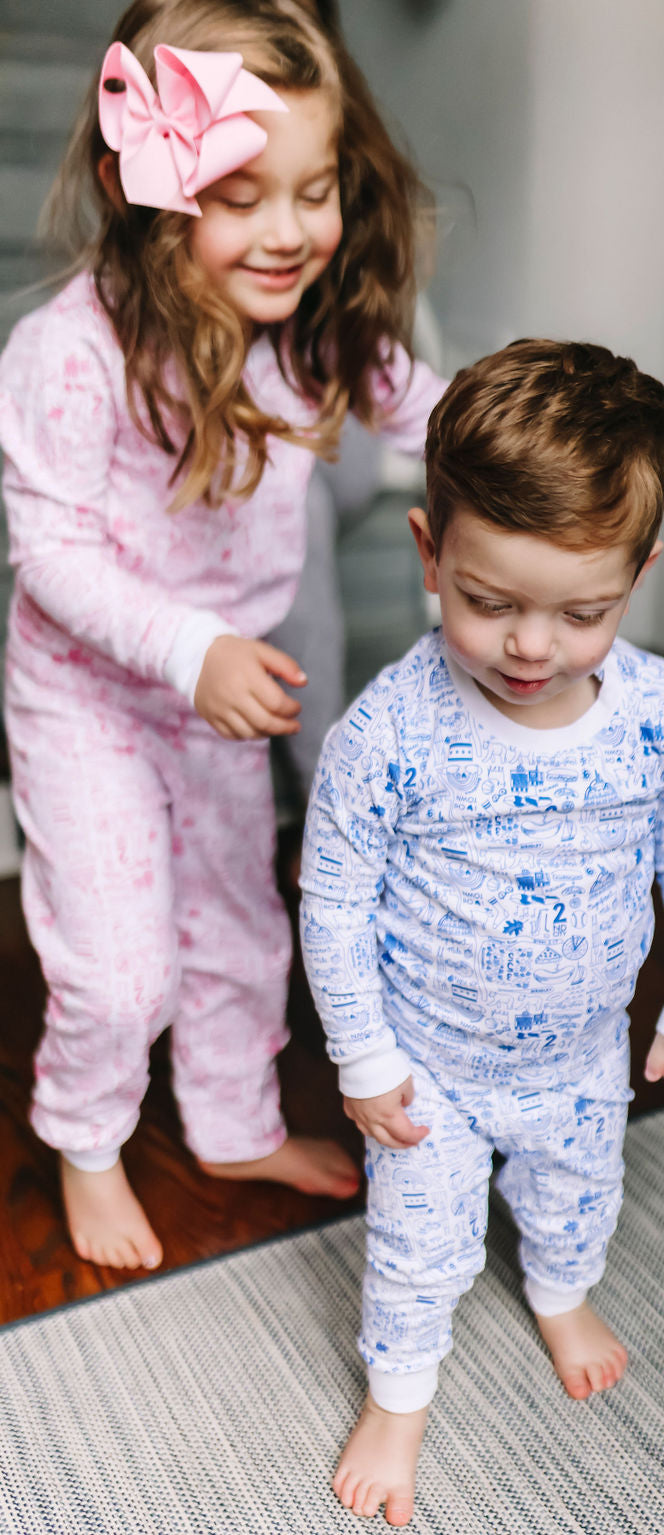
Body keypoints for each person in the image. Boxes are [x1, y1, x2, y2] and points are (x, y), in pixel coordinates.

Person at [0, 0, 448, 1274]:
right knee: (123, 961)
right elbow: (54, 560)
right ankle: (87, 1141)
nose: (295, 231)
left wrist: (552, 431)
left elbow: (441, 416)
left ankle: (234, 1125)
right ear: (138, 189)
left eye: (316, 191)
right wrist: (189, 648)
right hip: (90, 698)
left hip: (219, 699)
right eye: (242, 196)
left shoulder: (310, 338)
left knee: (241, 923)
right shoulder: (67, 356)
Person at [300, 339, 664, 1526]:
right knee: (416, 1239)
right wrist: (363, 1055)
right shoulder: (387, 733)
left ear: (636, 576)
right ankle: (398, 1398)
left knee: (578, 1191)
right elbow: (333, 900)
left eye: (581, 611)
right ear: (429, 555)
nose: (531, 647)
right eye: (489, 602)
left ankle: (562, 1291)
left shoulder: (652, 712)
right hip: (428, 1062)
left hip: (582, 1052)